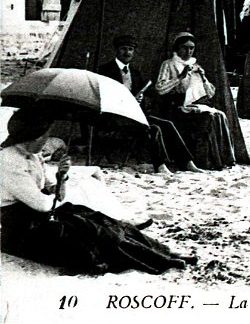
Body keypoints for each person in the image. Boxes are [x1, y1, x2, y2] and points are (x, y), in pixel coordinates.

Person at [0, 107, 194, 275]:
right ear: (31, 135)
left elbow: (55, 193)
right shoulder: (8, 161)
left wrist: (62, 176)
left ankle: (164, 253)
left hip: (43, 215)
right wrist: (55, 193)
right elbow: (41, 205)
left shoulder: (32, 155)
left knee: (104, 221)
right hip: (21, 227)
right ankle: (155, 261)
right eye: (45, 136)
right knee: (93, 234)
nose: (47, 141)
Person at [97, 35, 200, 174]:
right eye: (123, 49)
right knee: (153, 129)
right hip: (115, 116)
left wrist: (143, 98)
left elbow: (151, 92)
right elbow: (103, 96)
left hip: (134, 115)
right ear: (116, 50)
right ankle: (160, 165)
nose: (127, 53)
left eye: (130, 50)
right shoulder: (104, 70)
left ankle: (187, 162)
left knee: (167, 124)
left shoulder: (135, 73)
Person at [155, 32, 236, 170]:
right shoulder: (168, 64)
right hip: (175, 107)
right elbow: (160, 89)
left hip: (194, 104)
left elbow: (210, 94)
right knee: (208, 118)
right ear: (177, 48)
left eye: (192, 48)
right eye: (184, 48)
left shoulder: (195, 65)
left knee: (220, 115)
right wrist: (180, 77)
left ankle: (222, 160)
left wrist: (203, 78)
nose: (188, 51)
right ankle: (205, 161)